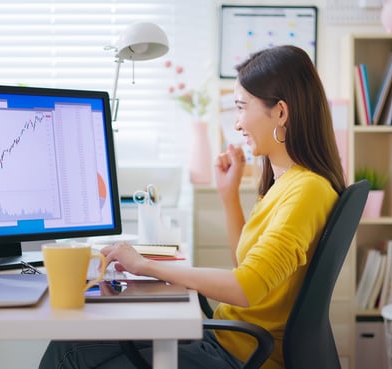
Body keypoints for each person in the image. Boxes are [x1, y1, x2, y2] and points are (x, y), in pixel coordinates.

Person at [38, 45, 346, 369]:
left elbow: (247, 288)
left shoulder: (306, 191)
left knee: (70, 352)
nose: (238, 124)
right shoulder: (289, 183)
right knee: (73, 343)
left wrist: (145, 265)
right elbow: (248, 266)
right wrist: (228, 197)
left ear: (280, 113)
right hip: (230, 344)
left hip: (238, 356)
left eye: (241, 108)